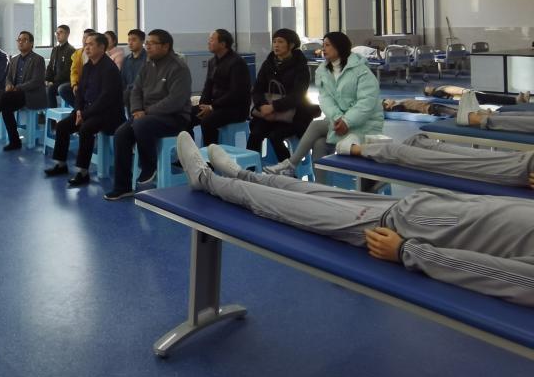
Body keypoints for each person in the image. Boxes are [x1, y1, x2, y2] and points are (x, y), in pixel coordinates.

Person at [178, 134, 534, 307]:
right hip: (416, 208)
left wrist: (407, 252)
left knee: (285, 205)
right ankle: (241, 174)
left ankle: (207, 180)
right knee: (306, 189)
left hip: (394, 232)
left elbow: (497, 274)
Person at [265, 31, 383, 179]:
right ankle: (320, 187)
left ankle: (291, 164)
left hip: (365, 125)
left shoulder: (362, 71)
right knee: (320, 144)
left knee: (316, 126)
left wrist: (347, 121)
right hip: (339, 123)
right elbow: (325, 99)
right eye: (323, 45)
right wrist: (339, 118)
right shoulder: (323, 71)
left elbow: (367, 103)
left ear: (339, 47)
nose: (323, 49)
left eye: (327, 45)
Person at [103, 29, 192, 201]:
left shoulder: (178, 68)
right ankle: (123, 187)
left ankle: (149, 166)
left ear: (165, 46)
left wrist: (146, 112)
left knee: (141, 124)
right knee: (121, 133)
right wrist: (137, 110)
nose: (147, 47)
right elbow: (136, 90)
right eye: (147, 43)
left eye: (152, 43)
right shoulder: (148, 64)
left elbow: (176, 100)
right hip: (145, 115)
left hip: (174, 117)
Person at [44, 33, 125, 186]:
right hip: (87, 111)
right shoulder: (88, 66)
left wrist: (84, 114)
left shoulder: (109, 68)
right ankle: (61, 164)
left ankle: (83, 172)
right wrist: (78, 110)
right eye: (86, 44)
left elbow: (106, 98)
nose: (86, 48)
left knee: (85, 129)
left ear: (102, 47)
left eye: (91, 44)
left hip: (108, 114)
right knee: (62, 126)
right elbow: (80, 92)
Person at [337, 133, 534, 189]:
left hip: (522, 170)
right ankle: (418, 142)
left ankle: (358, 149)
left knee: (437, 160)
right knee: (455, 153)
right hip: (525, 160)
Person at [246, 29, 315, 162]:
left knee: (275, 136)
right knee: (255, 133)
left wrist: (274, 107)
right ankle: (252, 167)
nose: (276, 45)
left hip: (294, 115)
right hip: (267, 113)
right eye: (274, 42)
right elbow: (257, 89)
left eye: (280, 42)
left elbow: (298, 95)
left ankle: (287, 168)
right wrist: (262, 106)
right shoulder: (268, 64)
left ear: (291, 45)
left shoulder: (301, 66)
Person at [189, 29, 251, 147]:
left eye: (212, 40)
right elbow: (208, 86)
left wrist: (212, 107)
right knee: (186, 115)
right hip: (217, 106)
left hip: (236, 108)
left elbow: (236, 93)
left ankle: (212, 154)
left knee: (208, 121)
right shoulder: (212, 62)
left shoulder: (237, 63)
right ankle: (191, 152)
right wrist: (203, 105)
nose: (208, 42)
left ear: (223, 44)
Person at [58, 28, 96, 108]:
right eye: (83, 37)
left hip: (93, 84)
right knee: (62, 89)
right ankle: (79, 108)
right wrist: (74, 84)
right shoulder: (78, 53)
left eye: (87, 38)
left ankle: (85, 108)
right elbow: (73, 71)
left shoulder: (98, 54)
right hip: (80, 83)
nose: (84, 40)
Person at [44, 24, 75, 108]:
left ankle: (52, 112)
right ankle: (43, 111)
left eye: (61, 32)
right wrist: (47, 79)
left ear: (67, 34)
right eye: (56, 33)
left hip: (65, 81)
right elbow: (50, 66)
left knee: (50, 89)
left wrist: (53, 81)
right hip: (55, 81)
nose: (58, 35)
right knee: (41, 86)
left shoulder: (71, 50)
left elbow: (67, 71)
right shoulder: (55, 49)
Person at [120, 28, 147, 113]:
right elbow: (122, 80)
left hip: (142, 98)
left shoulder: (148, 59)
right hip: (128, 97)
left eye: (134, 40)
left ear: (142, 41)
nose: (130, 43)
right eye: (129, 40)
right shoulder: (126, 60)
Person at [424, 84, 530, 105]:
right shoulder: (438, 92)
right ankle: (516, 100)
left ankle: (517, 100)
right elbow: (452, 91)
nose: (429, 86)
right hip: (466, 97)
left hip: (465, 95)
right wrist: (466, 92)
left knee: (491, 98)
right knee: (491, 98)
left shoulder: (438, 90)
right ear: (428, 93)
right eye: (427, 88)